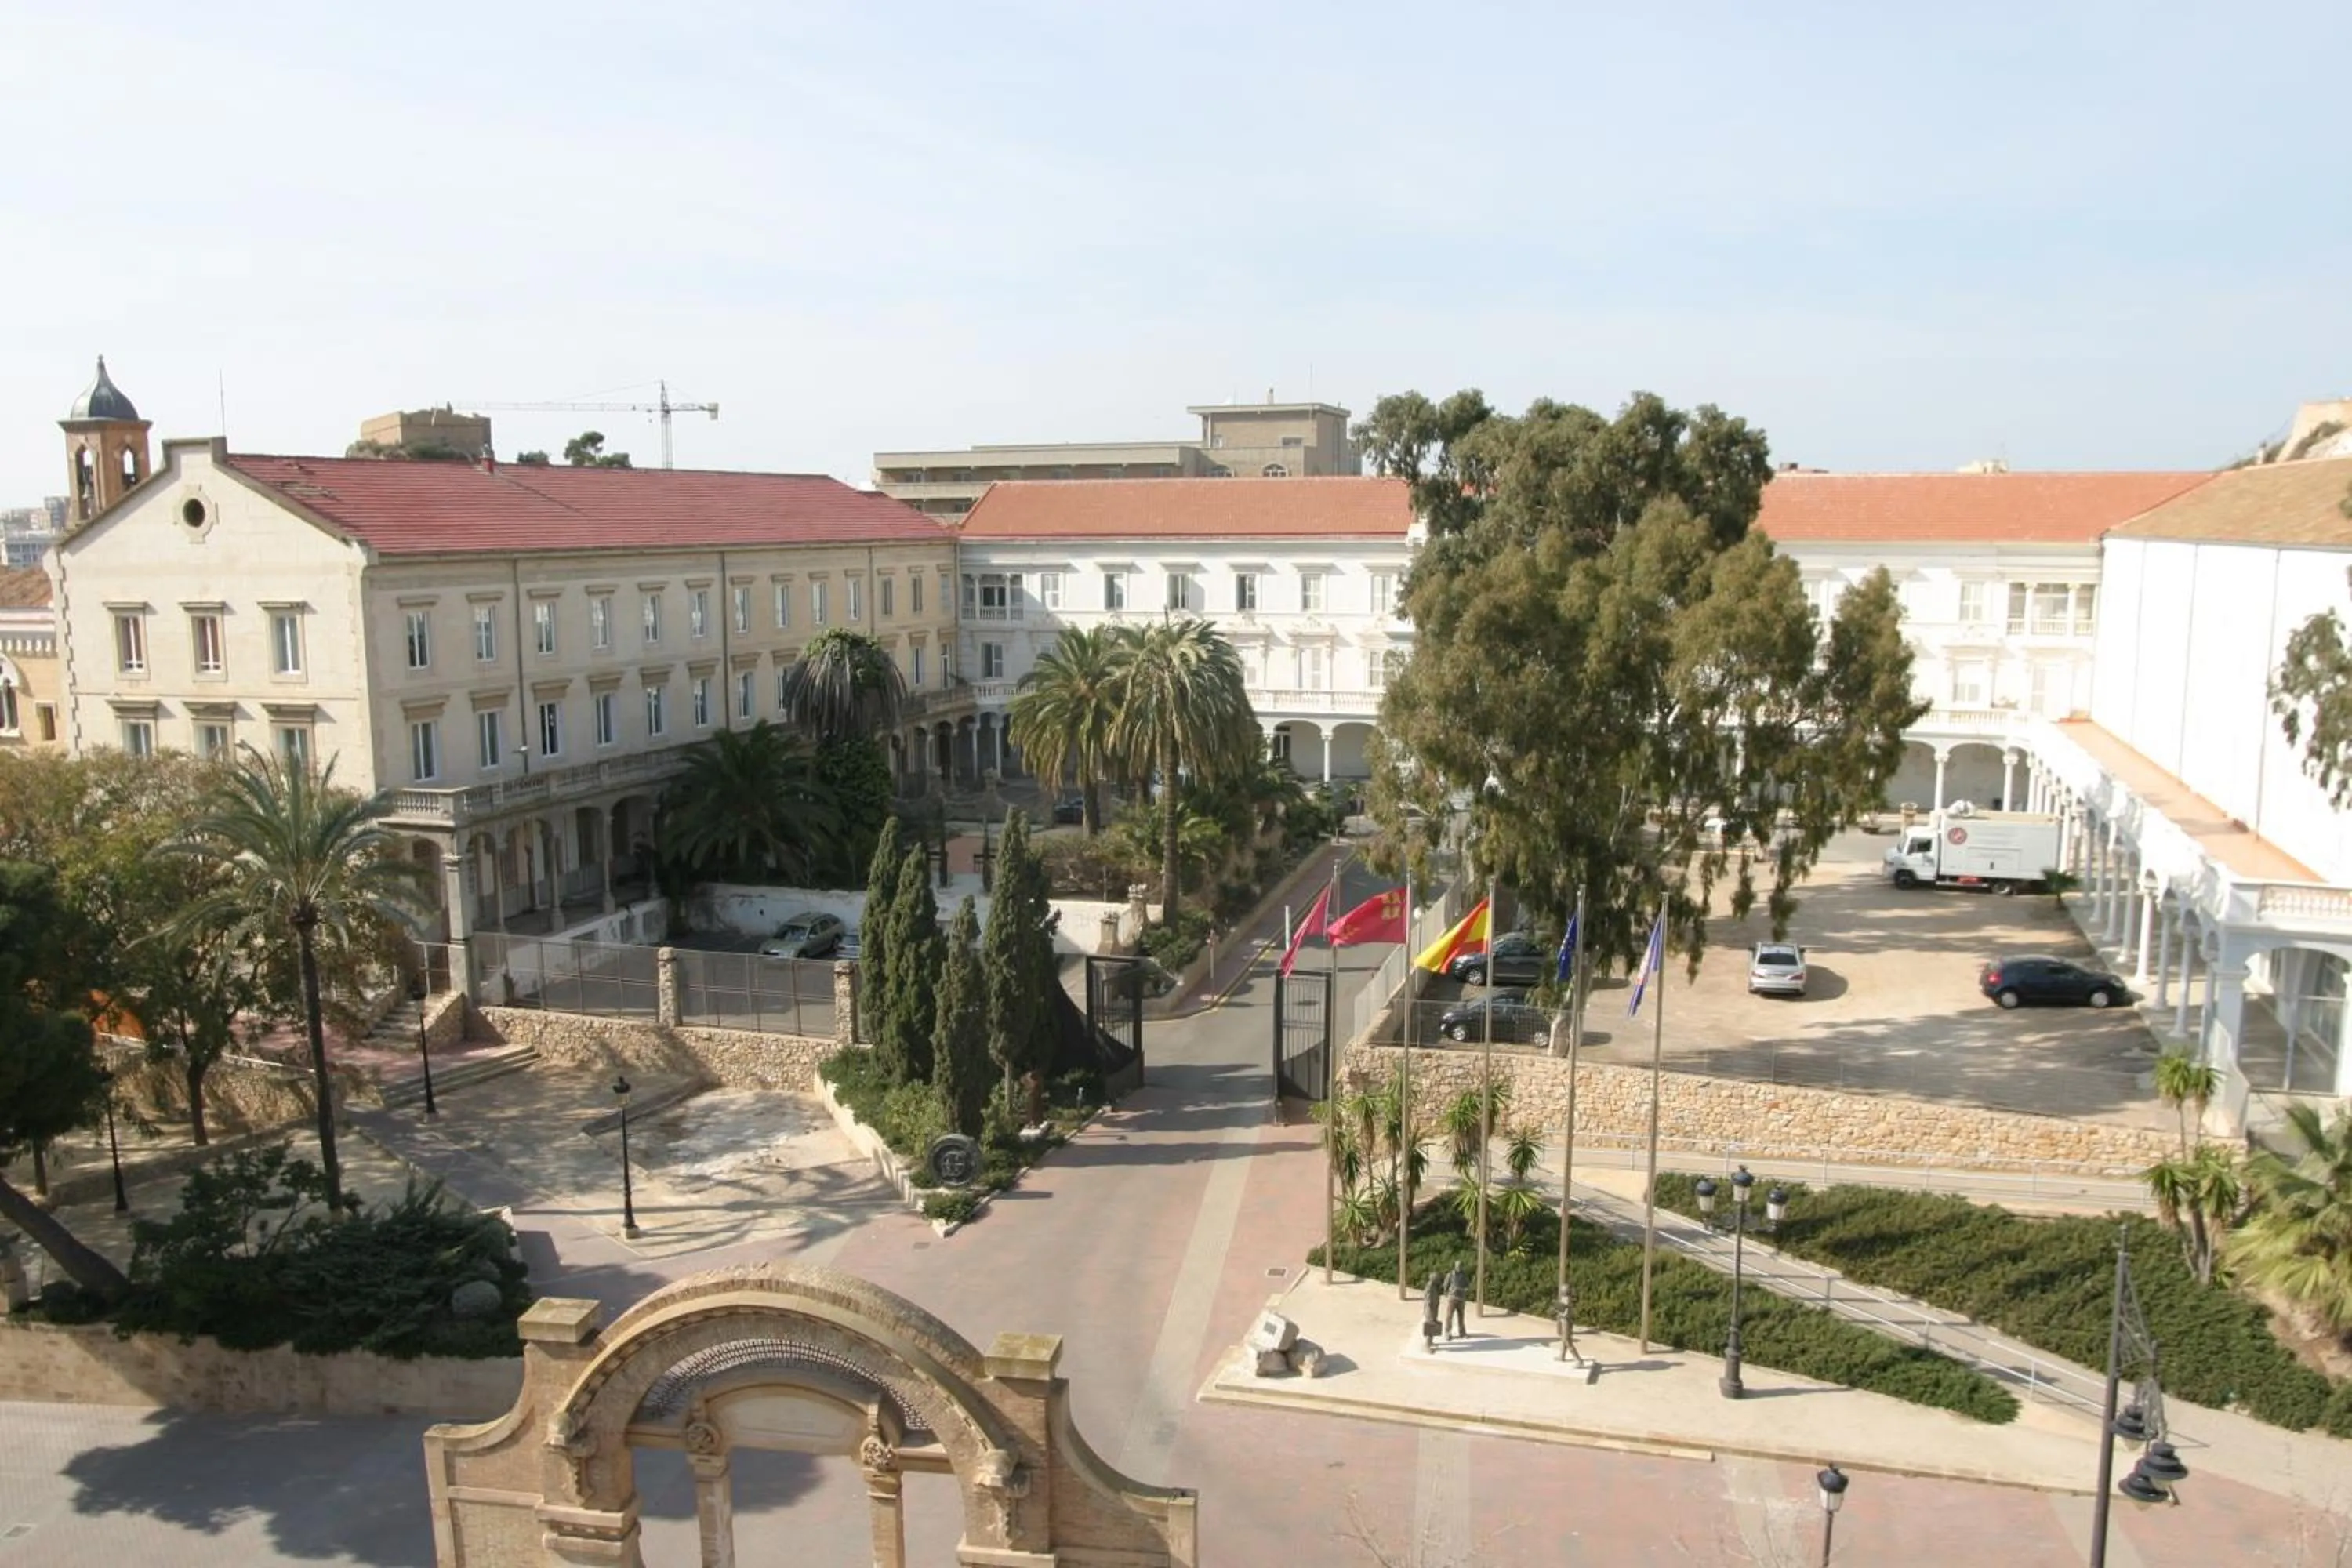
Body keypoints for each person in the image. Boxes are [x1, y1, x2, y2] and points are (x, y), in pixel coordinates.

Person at [1443, 1261, 1468, 1340]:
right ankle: (1447, 1333)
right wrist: (1447, 1294)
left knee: (1461, 1316)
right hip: (1452, 1297)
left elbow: (1467, 1285)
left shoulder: (1464, 1275)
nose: (1459, 1268)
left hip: (1461, 1298)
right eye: (1458, 1266)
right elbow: (1445, 1285)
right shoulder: (1450, 1275)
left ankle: (1462, 1332)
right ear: (1455, 1266)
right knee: (1449, 1316)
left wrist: (1464, 1290)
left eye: (1460, 1266)